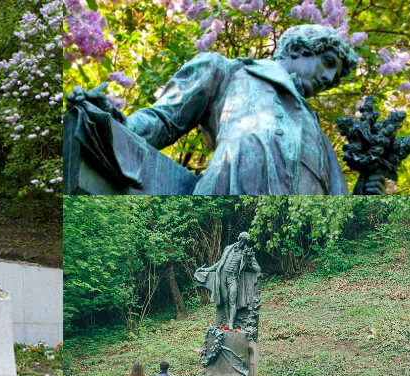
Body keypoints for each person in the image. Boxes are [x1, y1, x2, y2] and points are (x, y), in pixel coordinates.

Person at [68, 24, 387, 195]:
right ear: (299, 49)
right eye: (328, 63)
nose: (328, 79)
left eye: (334, 80)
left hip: (295, 237)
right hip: (226, 202)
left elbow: (338, 208)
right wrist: (114, 120)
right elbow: (162, 119)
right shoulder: (227, 71)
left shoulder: (317, 135)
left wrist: (365, 191)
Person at [194, 232, 261, 329]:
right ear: (239, 239)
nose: (243, 243)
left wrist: (253, 264)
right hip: (222, 276)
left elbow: (255, 266)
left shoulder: (246, 252)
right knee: (225, 300)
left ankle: (231, 324)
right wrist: (205, 269)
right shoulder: (228, 248)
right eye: (242, 240)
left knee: (232, 300)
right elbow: (219, 263)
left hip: (233, 278)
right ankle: (227, 322)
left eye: (245, 241)